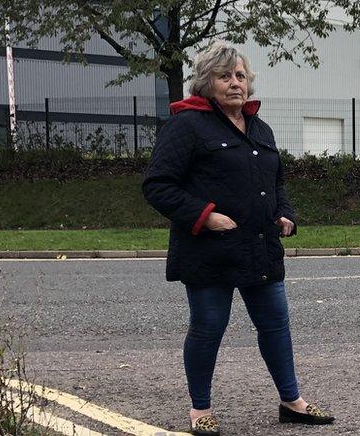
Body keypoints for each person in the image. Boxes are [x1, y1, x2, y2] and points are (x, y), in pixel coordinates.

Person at [143, 41, 334, 435]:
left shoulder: (259, 127)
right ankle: (200, 409)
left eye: (241, 76)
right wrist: (205, 216)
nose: (235, 83)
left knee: (276, 325)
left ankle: (291, 401)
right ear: (206, 82)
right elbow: (158, 186)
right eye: (224, 76)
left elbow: (276, 181)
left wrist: (286, 214)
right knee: (208, 327)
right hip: (209, 250)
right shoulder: (187, 125)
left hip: (260, 247)